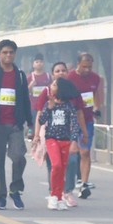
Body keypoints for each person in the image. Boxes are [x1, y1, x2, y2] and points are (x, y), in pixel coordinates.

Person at [0, 38, 32, 210]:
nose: (8, 55)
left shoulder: (20, 76)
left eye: (11, 52)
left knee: (18, 157)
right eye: (5, 52)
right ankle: (0, 197)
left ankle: (15, 190)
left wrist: (30, 124)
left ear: (15, 54)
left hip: (15, 125)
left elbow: (25, 100)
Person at [39, 63, 83, 208]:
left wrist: (74, 141)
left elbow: (74, 124)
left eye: (54, 85)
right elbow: (41, 120)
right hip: (51, 139)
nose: (51, 87)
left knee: (63, 169)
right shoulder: (49, 103)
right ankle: (53, 195)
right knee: (56, 165)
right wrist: (49, 108)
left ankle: (59, 198)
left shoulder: (69, 106)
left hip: (65, 141)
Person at [68, 52, 103, 198]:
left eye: (90, 67)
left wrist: (96, 108)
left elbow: (97, 96)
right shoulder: (69, 77)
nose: (87, 70)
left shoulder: (95, 78)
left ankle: (84, 183)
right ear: (78, 64)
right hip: (71, 120)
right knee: (71, 153)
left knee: (85, 152)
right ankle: (67, 183)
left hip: (87, 120)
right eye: (84, 67)